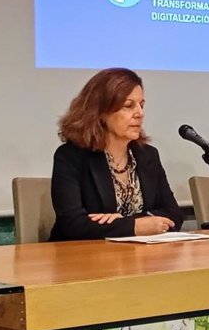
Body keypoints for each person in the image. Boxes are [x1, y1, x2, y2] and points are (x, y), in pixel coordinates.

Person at [49, 68, 183, 241]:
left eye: (141, 105)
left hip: (138, 257)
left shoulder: (147, 155)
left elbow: (174, 214)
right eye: (129, 106)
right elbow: (73, 224)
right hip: (83, 258)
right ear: (101, 111)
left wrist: (128, 222)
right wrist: (134, 227)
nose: (140, 114)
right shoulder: (71, 156)